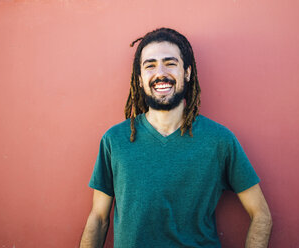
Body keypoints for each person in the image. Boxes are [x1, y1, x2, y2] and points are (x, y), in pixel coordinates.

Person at [80, 28, 272, 248]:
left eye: (170, 63)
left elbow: (261, 215)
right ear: (140, 79)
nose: (160, 73)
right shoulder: (114, 140)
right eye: (150, 65)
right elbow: (98, 218)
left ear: (187, 73)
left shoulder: (220, 140)